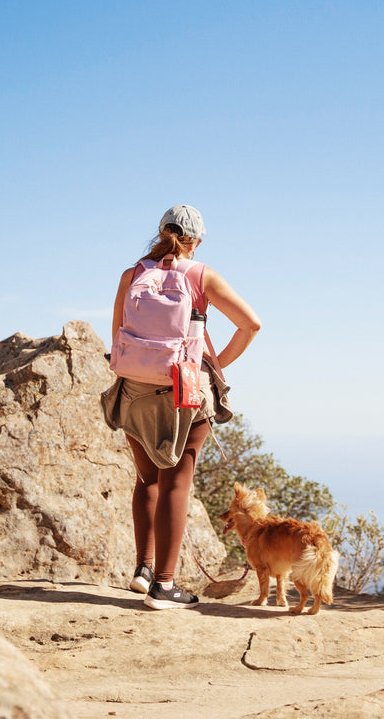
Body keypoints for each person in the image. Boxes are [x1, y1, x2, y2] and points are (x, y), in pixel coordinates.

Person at [108, 205, 260, 610]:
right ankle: (164, 586)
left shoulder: (132, 275)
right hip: (184, 390)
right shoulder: (201, 275)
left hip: (133, 388)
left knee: (147, 480)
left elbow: (117, 335)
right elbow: (251, 324)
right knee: (176, 483)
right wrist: (215, 364)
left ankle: (143, 570)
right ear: (197, 240)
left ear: (161, 233)